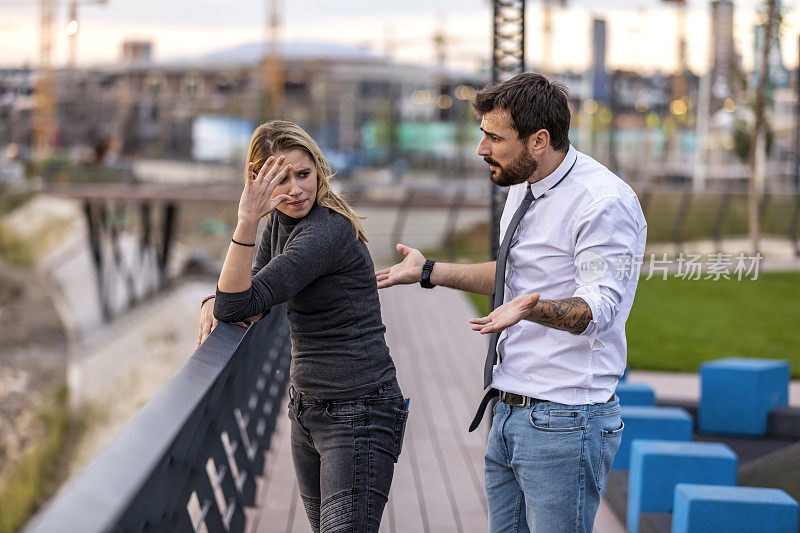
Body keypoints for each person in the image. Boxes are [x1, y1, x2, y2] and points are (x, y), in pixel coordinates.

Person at [375, 73, 646, 532]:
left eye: (494, 137)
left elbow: (598, 310)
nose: (481, 148)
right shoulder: (523, 186)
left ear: (539, 140)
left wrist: (528, 308)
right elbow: (510, 275)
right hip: (508, 409)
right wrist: (427, 272)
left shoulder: (603, 202)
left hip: (566, 421)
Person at [196, 120, 408, 533]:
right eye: (281, 179)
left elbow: (238, 302)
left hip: (358, 412)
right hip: (308, 410)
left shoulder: (324, 232)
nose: (294, 189)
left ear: (319, 169)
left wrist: (245, 220)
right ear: (259, 182)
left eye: (304, 175)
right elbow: (245, 302)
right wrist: (213, 299)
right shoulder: (280, 223)